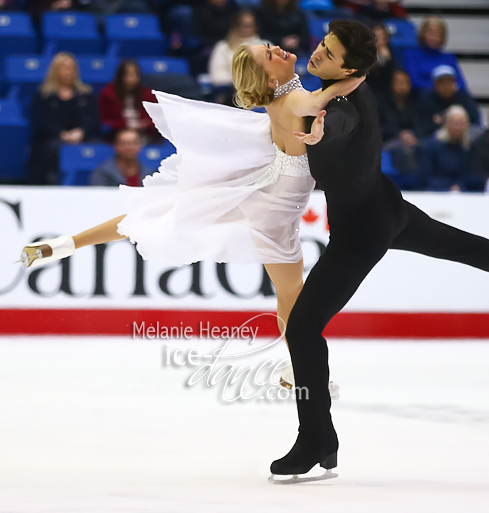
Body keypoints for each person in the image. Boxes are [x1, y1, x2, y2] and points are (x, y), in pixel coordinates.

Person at [269, 20, 489, 483]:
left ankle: (317, 439)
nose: (317, 54)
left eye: (328, 53)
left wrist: (318, 135)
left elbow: (339, 123)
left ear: (348, 67)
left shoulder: (343, 104)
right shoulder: (343, 85)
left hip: (362, 230)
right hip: (386, 205)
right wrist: (306, 98)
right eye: (322, 45)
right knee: (462, 246)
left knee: (304, 328)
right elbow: (326, 96)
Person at [18, 41, 364, 398]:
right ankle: (301, 370)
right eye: (269, 55)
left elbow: (316, 97)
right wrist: (362, 68)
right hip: (276, 211)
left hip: (264, 191)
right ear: (267, 73)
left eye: (269, 46)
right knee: (290, 293)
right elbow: (326, 95)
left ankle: (65, 244)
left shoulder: (285, 96)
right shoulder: (291, 101)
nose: (277, 48)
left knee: (165, 208)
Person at [28, 52, 100, 185]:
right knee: (51, 149)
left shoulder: (85, 94)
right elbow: (39, 121)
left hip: (81, 137)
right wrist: (61, 134)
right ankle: (50, 182)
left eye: (70, 68)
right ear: (55, 71)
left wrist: (81, 132)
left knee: (97, 147)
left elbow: (93, 119)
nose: (67, 72)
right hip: (51, 138)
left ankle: (94, 182)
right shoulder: (43, 95)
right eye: (63, 68)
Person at [209, 11, 266, 104]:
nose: (246, 29)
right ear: (235, 27)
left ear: (256, 27)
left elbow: (273, 73)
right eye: (243, 25)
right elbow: (217, 76)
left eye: (249, 25)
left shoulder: (265, 45)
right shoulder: (223, 47)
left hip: (261, 92)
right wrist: (242, 82)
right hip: (230, 93)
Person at [98, 59, 159, 144]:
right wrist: (125, 124)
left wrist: (144, 124)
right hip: (117, 134)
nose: (131, 78)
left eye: (134, 75)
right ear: (120, 76)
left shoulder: (147, 94)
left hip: (144, 135)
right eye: (128, 75)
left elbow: (156, 119)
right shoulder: (108, 94)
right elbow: (105, 121)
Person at [413, 65, 480, 139]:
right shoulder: (426, 101)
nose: (446, 86)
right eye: (441, 82)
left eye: (449, 81)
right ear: (435, 85)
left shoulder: (465, 99)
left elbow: (475, 126)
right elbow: (420, 129)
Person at [403, 16, 467, 91]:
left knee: (465, 97)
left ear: (443, 36)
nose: (433, 37)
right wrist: (442, 88)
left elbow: (461, 84)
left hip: (447, 97)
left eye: (438, 34)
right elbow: (414, 82)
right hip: (421, 97)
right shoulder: (411, 55)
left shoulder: (449, 58)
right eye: (430, 32)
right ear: (423, 33)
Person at [418, 105, 474, 192]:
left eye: (461, 123)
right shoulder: (431, 146)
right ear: (446, 124)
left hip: (461, 193)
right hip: (435, 193)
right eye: (454, 123)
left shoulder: (468, 149)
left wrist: (459, 186)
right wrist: (448, 187)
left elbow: (469, 178)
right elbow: (425, 178)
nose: (457, 127)